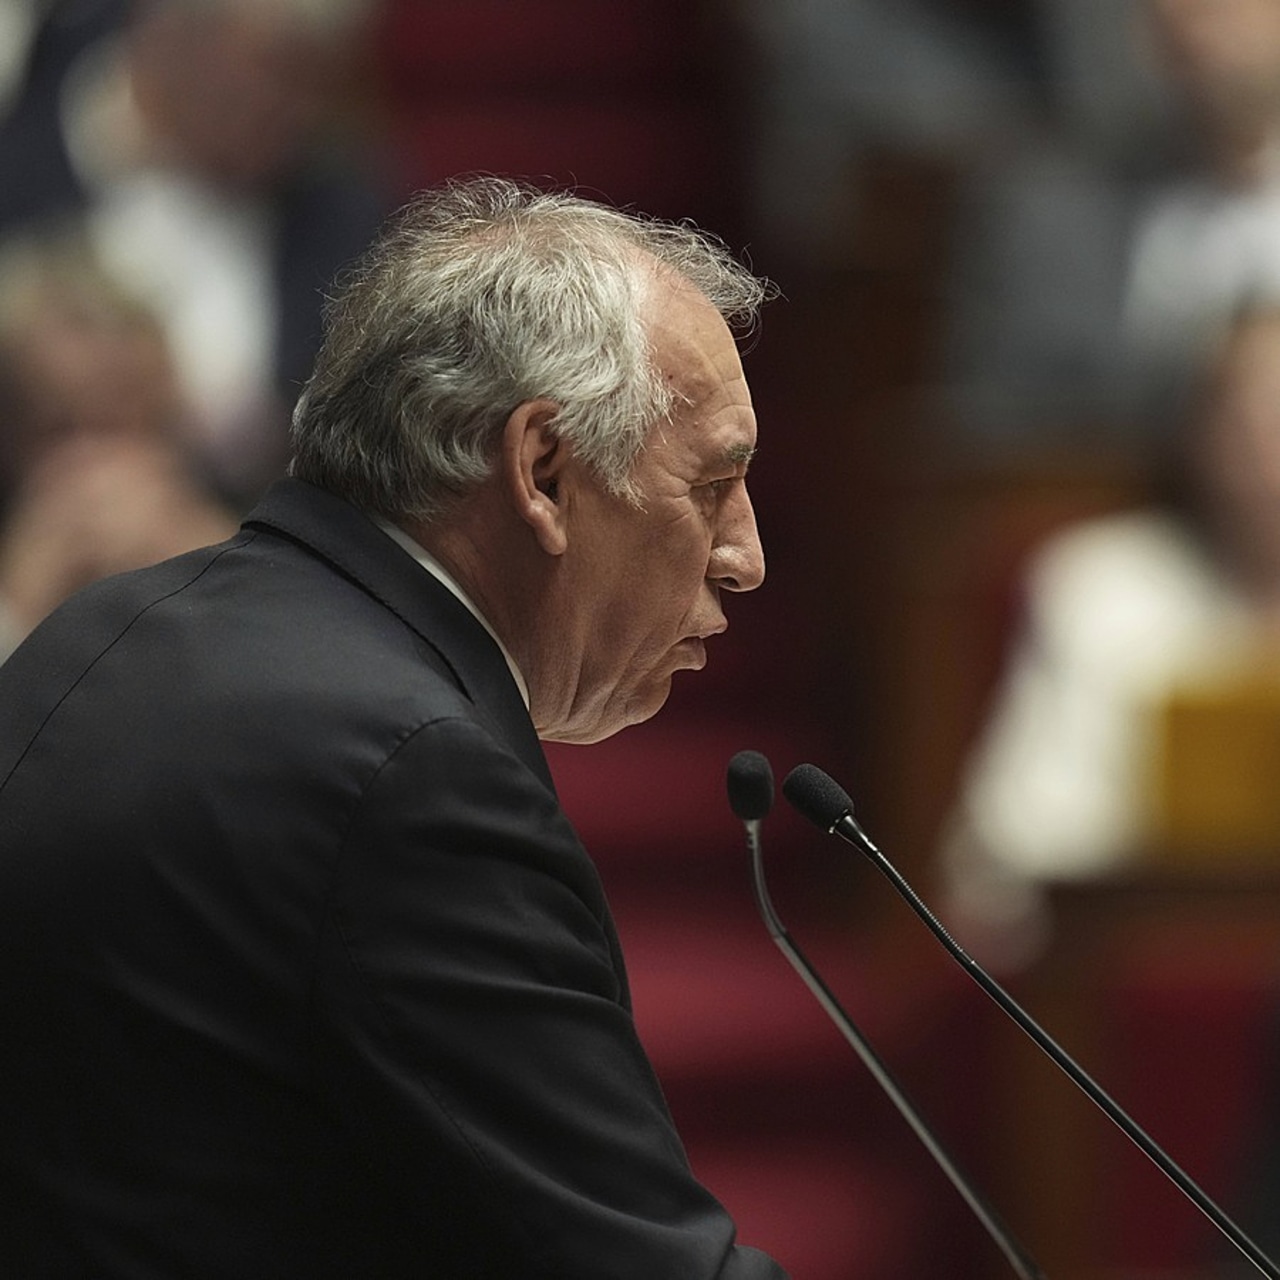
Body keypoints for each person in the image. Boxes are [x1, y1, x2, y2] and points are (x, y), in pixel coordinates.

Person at [0, 177, 784, 1278]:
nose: (745, 556)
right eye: (712, 484)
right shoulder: (412, 780)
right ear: (543, 470)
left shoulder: (100, 630)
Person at [942, 298, 1280, 966]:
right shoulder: (1100, 587)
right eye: (1253, 415)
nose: (1269, 450)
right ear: (1198, 432)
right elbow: (1011, 856)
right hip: (1149, 971)